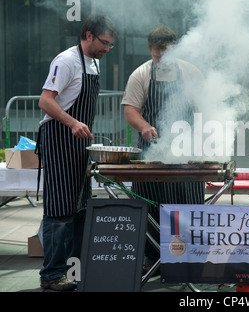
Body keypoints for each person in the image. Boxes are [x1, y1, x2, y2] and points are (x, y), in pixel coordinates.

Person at [37, 15, 118, 291]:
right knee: (60, 210)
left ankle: (74, 271)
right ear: (88, 35)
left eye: (110, 45)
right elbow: (45, 101)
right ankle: (51, 275)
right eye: (103, 43)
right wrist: (72, 123)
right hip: (59, 140)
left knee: (79, 208)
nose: (107, 49)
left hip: (79, 145)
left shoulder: (94, 63)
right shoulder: (66, 61)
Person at [121, 25, 205, 271]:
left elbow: (205, 109)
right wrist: (145, 126)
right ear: (150, 49)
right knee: (150, 205)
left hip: (185, 155)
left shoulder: (190, 73)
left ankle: (190, 257)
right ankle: (150, 258)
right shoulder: (141, 74)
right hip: (152, 155)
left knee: (186, 206)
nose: (161, 58)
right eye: (157, 53)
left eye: (166, 52)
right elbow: (130, 111)